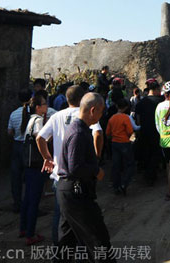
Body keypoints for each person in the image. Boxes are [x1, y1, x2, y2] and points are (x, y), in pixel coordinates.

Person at [35, 85, 102, 246]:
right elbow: (98, 133)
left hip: (60, 175)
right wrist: (95, 159)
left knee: (61, 218)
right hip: (78, 175)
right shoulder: (84, 115)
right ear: (83, 98)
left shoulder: (56, 116)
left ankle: (59, 248)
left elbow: (40, 138)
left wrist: (47, 158)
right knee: (81, 219)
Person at [57, 93, 113, 262]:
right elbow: (75, 167)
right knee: (97, 239)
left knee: (66, 242)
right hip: (76, 192)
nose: (102, 115)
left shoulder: (80, 129)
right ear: (93, 110)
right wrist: (96, 171)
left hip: (69, 191)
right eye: (101, 111)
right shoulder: (78, 133)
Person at [19, 96, 49, 246]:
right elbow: (40, 138)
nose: (46, 106)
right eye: (44, 104)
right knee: (34, 200)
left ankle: (23, 228)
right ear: (38, 107)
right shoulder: (37, 120)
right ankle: (30, 234)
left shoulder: (30, 120)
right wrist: (47, 156)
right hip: (36, 165)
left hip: (28, 164)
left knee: (28, 198)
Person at [106, 98, 139, 196]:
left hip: (114, 143)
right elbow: (130, 131)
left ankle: (116, 186)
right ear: (126, 108)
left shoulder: (112, 118)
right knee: (130, 164)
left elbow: (107, 133)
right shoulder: (125, 118)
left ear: (117, 106)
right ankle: (124, 184)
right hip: (124, 143)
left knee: (116, 165)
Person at [134, 79, 163, 186]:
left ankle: (147, 174)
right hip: (158, 131)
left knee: (146, 152)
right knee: (156, 153)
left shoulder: (141, 102)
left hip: (144, 131)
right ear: (155, 89)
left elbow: (137, 117)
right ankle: (151, 174)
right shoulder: (161, 101)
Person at [8, 89, 33, 213]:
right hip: (28, 145)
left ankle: (17, 203)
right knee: (30, 176)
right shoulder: (33, 114)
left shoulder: (14, 114)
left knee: (16, 176)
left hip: (17, 145)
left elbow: (10, 132)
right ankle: (29, 204)